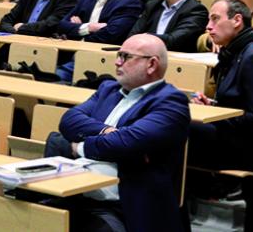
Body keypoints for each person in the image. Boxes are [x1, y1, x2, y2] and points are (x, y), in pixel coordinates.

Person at [56, 33, 190, 232]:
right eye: (118, 55)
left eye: (126, 57)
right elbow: (68, 121)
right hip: (77, 190)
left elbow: (125, 143)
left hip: (124, 203)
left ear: (151, 64)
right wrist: (106, 130)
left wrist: (80, 147)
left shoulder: (171, 102)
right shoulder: (108, 89)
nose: (117, 62)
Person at [189, 0, 253, 179]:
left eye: (215, 19)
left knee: (180, 127)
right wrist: (212, 107)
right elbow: (237, 103)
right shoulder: (236, 52)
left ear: (237, 20)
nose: (208, 27)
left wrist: (215, 117)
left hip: (251, 149)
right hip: (233, 137)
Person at [56, 0, 144, 81]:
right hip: (71, 57)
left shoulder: (129, 2)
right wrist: (89, 27)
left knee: (55, 78)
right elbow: (62, 25)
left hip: (101, 62)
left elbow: (111, 35)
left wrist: (77, 29)